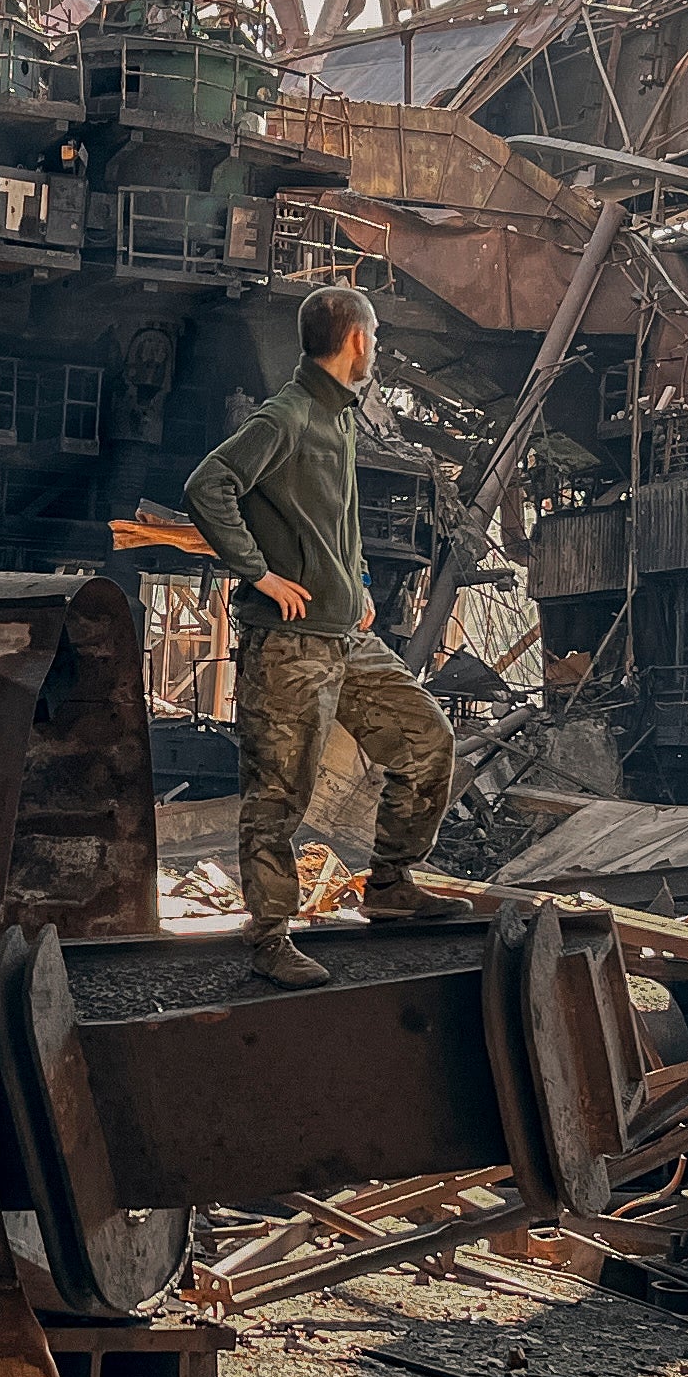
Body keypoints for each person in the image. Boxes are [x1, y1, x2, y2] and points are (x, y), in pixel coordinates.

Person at [182, 285, 455, 987]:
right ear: (358, 339)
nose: (379, 347)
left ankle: (390, 885)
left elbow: (336, 518)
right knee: (279, 796)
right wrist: (260, 574)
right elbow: (208, 484)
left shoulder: (341, 418)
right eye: (377, 336)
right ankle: (270, 937)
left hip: (344, 636)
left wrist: (356, 582)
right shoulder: (290, 415)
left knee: (427, 742)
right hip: (289, 645)